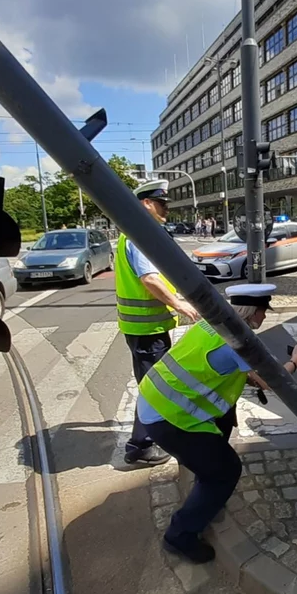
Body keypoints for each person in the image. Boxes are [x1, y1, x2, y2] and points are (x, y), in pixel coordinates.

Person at [138, 284, 297, 563]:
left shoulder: (211, 325)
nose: (265, 318)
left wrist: (248, 376)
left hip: (153, 399)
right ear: (253, 313)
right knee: (225, 471)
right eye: (264, 312)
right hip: (168, 417)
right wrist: (295, 362)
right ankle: (179, 536)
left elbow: (221, 367)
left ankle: (206, 500)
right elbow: (270, 381)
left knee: (216, 449)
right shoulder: (239, 342)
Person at [115, 180, 200, 466]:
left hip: (147, 328)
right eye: (162, 203)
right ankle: (140, 446)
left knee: (155, 385)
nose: (167, 209)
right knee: (153, 388)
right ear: (146, 204)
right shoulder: (138, 236)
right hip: (146, 330)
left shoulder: (137, 234)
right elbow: (149, 278)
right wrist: (179, 304)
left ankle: (153, 435)